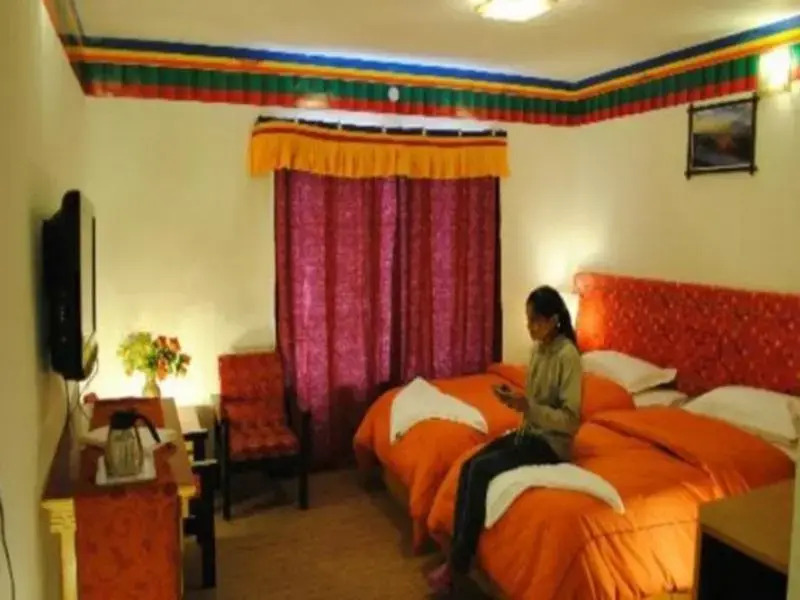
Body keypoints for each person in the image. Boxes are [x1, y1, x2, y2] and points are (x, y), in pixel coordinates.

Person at [427, 285, 582, 595]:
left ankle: (458, 565)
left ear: (553, 320)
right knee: (470, 464)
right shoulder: (538, 351)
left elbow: (570, 420)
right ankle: (457, 554)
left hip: (552, 445)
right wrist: (515, 401)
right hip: (530, 433)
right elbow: (534, 403)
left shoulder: (568, 357)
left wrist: (529, 408)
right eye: (528, 320)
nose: (529, 327)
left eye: (535, 320)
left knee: (483, 470)